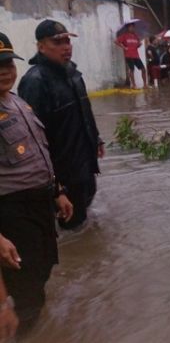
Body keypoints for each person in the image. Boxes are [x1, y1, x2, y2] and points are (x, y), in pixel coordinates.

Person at [0, 31, 72, 335]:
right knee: (26, 288)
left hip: (39, 206)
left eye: (7, 63)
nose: (5, 71)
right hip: (11, 214)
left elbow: (38, 154)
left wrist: (57, 192)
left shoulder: (17, 102)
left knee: (41, 272)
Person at [18, 19, 104, 231]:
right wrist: (55, 186)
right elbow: (31, 138)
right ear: (41, 46)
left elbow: (85, 112)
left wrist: (96, 139)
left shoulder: (73, 75)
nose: (66, 47)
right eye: (57, 42)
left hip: (84, 162)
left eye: (67, 41)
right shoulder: (35, 82)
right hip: (63, 172)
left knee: (86, 218)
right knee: (71, 227)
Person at [114, 23, 147, 89]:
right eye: (131, 27)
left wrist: (139, 44)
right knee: (132, 69)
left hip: (136, 55)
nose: (132, 28)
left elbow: (137, 45)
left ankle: (145, 85)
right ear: (128, 28)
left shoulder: (135, 36)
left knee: (143, 69)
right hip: (128, 55)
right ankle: (134, 85)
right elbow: (116, 41)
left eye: (133, 27)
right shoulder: (124, 36)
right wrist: (123, 47)